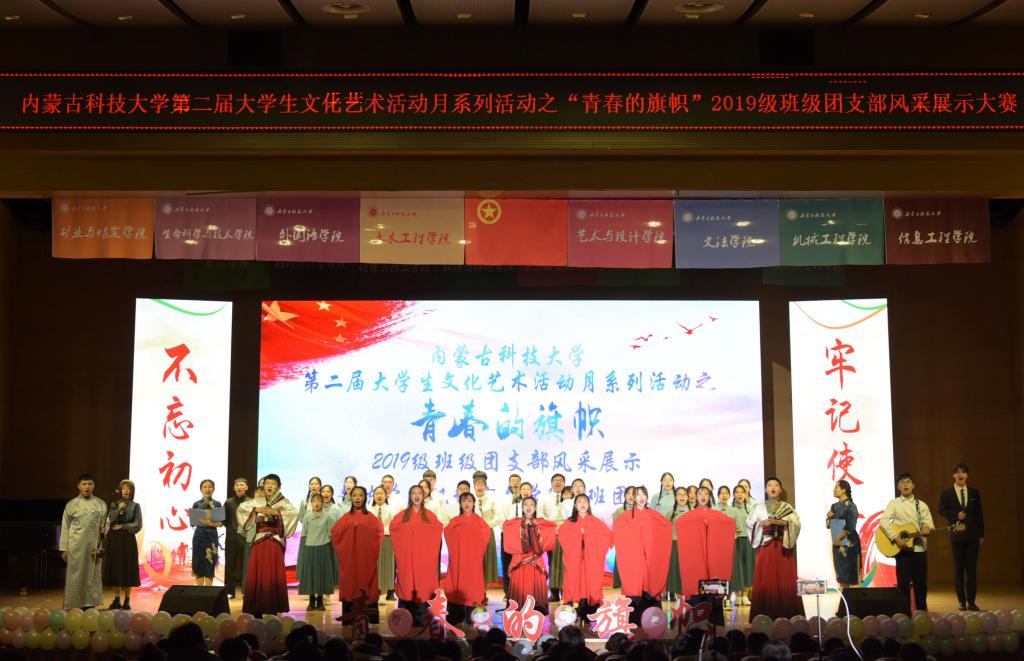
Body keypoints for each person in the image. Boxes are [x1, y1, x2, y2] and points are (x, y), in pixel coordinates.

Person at [239, 473, 298, 616]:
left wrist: (276, 513)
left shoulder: (283, 502)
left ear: (278, 486)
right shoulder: (256, 501)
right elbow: (242, 509)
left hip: (275, 541)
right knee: (257, 573)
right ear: (263, 485)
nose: (270, 486)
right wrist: (256, 510)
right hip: (259, 541)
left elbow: (294, 513)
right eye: (267, 483)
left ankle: (273, 608)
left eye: (273, 484)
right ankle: (257, 609)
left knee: (273, 573)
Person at [747, 476, 803, 619]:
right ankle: (764, 616)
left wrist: (785, 523)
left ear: (780, 490)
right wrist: (760, 524)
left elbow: (796, 524)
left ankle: (789, 615)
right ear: (766, 490)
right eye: (770, 485)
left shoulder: (788, 508)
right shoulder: (758, 508)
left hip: (783, 548)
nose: (773, 487)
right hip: (766, 548)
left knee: (785, 580)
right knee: (765, 581)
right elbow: (749, 524)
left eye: (776, 485)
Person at [613, 485, 672, 616]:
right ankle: (635, 619)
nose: (641, 497)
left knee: (651, 585)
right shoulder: (626, 516)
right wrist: (635, 529)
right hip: (634, 559)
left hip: (650, 558)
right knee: (635, 588)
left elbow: (667, 526)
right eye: (638, 494)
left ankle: (654, 618)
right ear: (633, 497)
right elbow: (618, 531)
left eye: (644, 494)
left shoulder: (654, 515)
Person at [881, 472, 933, 612]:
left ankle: (922, 614)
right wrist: (895, 538)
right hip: (902, 550)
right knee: (903, 584)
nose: (905, 485)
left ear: (913, 485)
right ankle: (904, 614)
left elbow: (929, 524)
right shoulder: (894, 503)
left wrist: (927, 528)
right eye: (902, 482)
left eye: (908, 482)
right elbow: (883, 522)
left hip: (919, 549)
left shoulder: (921, 505)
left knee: (920, 584)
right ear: (898, 486)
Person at [390, 484, 443, 618]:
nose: (416, 495)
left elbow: (437, 528)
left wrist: (418, 530)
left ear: (423, 496)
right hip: (407, 556)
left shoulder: (429, 515)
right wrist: (410, 528)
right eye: (413, 493)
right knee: (406, 580)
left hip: (423, 557)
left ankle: (423, 616)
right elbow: (394, 528)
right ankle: (405, 614)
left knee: (423, 582)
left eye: (419, 493)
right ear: (410, 496)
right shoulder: (402, 515)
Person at [332, 486, 384, 619]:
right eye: (354, 495)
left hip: (366, 559)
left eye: (360, 495)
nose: (357, 498)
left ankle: (369, 616)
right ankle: (349, 617)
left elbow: (379, 533)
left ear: (365, 498)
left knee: (367, 582)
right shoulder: (346, 517)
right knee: (350, 583)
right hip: (350, 559)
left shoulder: (371, 518)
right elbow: (335, 533)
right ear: (351, 497)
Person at [557, 493, 612, 621]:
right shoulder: (569, 522)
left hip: (591, 560)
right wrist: (578, 535)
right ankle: (573, 611)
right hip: (574, 560)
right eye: (579, 502)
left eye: (585, 501)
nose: (582, 504)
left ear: (588, 505)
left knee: (591, 583)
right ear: (575, 505)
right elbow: (562, 536)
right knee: (573, 582)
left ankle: (590, 611)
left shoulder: (596, 521)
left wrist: (587, 535)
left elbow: (606, 536)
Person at [938, 463, 984, 611]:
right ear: (954, 475)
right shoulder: (947, 492)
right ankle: (961, 602)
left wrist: (981, 534)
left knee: (971, 570)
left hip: (972, 536)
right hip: (957, 535)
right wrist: (955, 515)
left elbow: (979, 514)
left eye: (963, 472)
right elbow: (941, 510)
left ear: (967, 476)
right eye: (958, 472)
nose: (960, 474)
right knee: (958, 570)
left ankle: (972, 602)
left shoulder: (974, 492)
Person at [676, 487, 735, 599]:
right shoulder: (688, 517)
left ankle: (715, 596)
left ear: (709, 497)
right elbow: (680, 524)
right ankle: (697, 596)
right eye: (700, 494)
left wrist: (712, 524)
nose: (703, 497)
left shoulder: (717, 515)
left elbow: (730, 523)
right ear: (696, 497)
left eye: (706, 494)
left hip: (713, 554)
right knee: (696, 574)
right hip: (697, 554)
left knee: (715, 571)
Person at [60, 473, 108, 609]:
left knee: (92, 574)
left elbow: (106, 522)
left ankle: (90, 603)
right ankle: (74, 603)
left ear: (94, 486)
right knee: (76, 575)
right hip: (76, 546)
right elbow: (65, 527)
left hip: (93, 547)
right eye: (84, 484)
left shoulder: (100, 504)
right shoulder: (71, 505)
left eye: (90, 484)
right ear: (78, 486)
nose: (87, 487)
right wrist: (64, 548)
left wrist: (105, 528)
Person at [442, 492, 492, 622]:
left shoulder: (479, 521)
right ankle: (456, 618)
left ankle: (472, 617)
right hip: (458, 559)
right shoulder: (455, 521)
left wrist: (468, 532)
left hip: (473, 559)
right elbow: (447, 532)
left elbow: (486, 533)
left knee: (473, 586)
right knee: (456, 583)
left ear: (474, 503)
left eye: (469, 501)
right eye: (464, 501)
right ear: (460, 504)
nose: (467, 503)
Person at [503, 496, 557, 614]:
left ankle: (536, 611)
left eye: (532, 504)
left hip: (536, 562)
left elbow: (552, 527)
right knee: (520, 590)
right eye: (526, 504)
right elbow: (506, 528)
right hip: (519, 562)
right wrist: (523, 524)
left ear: (535, 508)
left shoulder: (541, 523)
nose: (528, 507)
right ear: (522, 508)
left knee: (535, 588)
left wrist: (534, 524)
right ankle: (518, 610)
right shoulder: (514, 523)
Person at [105, 479, 141, 610]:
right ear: (120, 490)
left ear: (132, 491)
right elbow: (110, 520)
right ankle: (116, 599)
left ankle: (127, 600)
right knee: (116, 568)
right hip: (115, 539)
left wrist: (123, 526)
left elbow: (138, 524)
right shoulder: (114, 504)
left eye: (128, 488)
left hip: (128, 539)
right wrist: (118, 509)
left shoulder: (136, 506)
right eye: (124, 488)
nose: (126, 491)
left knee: (128, 568)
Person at [299, 493, 339, 610]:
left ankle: (320, 601)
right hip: (309, 548)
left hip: (323, 548)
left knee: (322, 575)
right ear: (311, 503)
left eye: (319, 501)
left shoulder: (328, 516)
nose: (316, 503)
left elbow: (331, 534)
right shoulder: (307, 516)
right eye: (314, 501)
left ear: (322, 503)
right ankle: (312, 601)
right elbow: (304, 534)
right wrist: (305, 549)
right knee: (310, 575)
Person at [827, 480, 861, 589]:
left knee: (851, 574)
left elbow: (851, 526)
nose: (834, 490)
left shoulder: (851, 506)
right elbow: (828, 525)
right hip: (837, 543)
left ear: (843, 490)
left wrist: (839, 538)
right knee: (841, 574)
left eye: (836, 487)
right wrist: (828, 517)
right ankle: (844, 598)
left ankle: (853, 598)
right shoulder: (834, 506)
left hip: (849, 543)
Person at [540, 473, 568, 601]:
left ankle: (566, 591)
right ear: (551, 483)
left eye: (560, 480)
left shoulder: (569, 498)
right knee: (553, 563)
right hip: (552, 534)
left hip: (567, 534)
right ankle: (554, 592)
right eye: (555, 480)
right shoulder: (545, 499)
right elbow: (541, 515)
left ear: (564, 483)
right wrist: (551, 525)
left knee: (566, 564)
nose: (558, 482)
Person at [190, 479, 223, 586]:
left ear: (214, 489)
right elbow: (192, 524)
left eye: (210, 487)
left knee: (210, 561)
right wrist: (196, 517)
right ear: (201, 489)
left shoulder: (217, 504)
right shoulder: (196, 504)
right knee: (198, 562)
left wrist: (210, 523)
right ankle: (199, 591)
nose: (207, 489)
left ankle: (208, 591)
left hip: (211, 535)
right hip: (199, 536)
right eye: (205, 487)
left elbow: (221, 523)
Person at [223, 478, 251, 599]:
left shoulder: (251, 502)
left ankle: (247, 591)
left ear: (246, 487)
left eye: (242, 485)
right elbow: (224, 520)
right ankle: (230, 591)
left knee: (246, 566)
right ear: (234, 488)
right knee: (230, 565)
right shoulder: (229, 502)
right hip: (231, 538)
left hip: (246, 538)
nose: (239, 487)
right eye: (237, 485)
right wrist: (232, 530)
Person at [473, 474, 501, 587]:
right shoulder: (470, 499)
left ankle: (484, 590)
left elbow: (498, 517)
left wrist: (486, 526)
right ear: (474, 486)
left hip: (488, 532)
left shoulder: (492, 499)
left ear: (486, 486)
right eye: (477, 484)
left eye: (482, 485)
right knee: (474, 561)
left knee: (487, 561)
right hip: (473, 534)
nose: (480, 487)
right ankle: (474, 589)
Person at [729, 484, 755, 606]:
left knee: (747, 568)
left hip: (748, 540)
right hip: (734, 541)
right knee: (736, 569)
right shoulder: (730, 509)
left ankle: (745, 595)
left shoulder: (751, 508)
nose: (739, 494)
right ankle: (737, 595)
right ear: (733, 494)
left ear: (746, 494)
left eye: (742, 492)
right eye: (737, 492)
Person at [370, 485, 396, 602]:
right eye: (376, 494)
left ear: (386, 496)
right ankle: (374, 592)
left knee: (386, 566)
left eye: (381, 493)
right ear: (373, 496)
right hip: (372, 539)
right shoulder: (369, 509)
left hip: (387, 539)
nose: (379, 496)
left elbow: (395, 525)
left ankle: (383, 594)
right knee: (374, 567)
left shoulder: (391, 509)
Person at [297, 476, 323, 593]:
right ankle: (309, 589)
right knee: (307, 563)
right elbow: (301, 517)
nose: (313, 486)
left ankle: (322, 590)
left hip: (321, 535)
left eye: (316, 484)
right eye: (311, 484)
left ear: (320, 486)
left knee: (321, 564)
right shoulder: (304, 501)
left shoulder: (324, 500)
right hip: (307, 535)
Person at [502, 474, 524, 597]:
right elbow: (501, 516)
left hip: (522, 535)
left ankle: (521, 588)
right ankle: (508, 590)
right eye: (512, 481)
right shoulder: (504, 500)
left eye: (517, 481)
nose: (515, 483)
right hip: (508, 534)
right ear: (509, 484)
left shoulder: (526, 500)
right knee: (507, 562)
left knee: (521, 562)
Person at [666, 487, 689, 601]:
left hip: (689, 545)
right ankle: (676, 594)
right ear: (675, 497)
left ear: (687, 497)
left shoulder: (692, 512)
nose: (682, 497)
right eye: (679, 494)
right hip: (674, 544)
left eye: (684, 494)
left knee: (687, 571)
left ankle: (688, 596)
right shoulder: (670, 513)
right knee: (675, 570)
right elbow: (664, 529)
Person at [611, 485, 635, 589]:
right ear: (624, 496)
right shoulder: (619, 510)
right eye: (628, 494)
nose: (631, 496)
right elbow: (615, 527)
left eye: (633, 494)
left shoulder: (640, 510)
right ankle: (620, 582)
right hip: (623, 541)